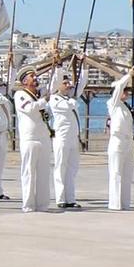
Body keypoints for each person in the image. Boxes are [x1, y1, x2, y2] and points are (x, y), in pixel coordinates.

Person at [13, 69, 53, 213]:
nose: (35, 78)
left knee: (43, 173)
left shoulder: (38, 96)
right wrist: (44, 101)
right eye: (32, 76)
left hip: (43, 137)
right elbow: (29, 109)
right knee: (29, 172)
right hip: (29, 138)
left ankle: (42, 204)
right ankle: (28, 205)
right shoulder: (20, 95)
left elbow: (46, 114)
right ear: (24, 81)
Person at [49, 73, 84, 209]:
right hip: (61, 137)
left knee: (72, 168)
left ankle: (70, 198)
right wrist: (72, 101)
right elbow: (68, 107)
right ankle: (61, 198)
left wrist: (85, 68)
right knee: (61, 167)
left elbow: (81, 85)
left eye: (68, 83)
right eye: (65, 83)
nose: (68, 85)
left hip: (73, 137)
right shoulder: (54, 98)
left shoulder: (69, 98)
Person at [106, 72, 134, 210]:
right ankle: (115, 203)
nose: (127, 93)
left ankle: (125, 202)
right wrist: (128, 75)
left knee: (127, 173)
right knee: (116, 173)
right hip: (117, 140)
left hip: (128, 141)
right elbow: (118, 88)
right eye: (125, 91)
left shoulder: (125, 107)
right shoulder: (113, 103)